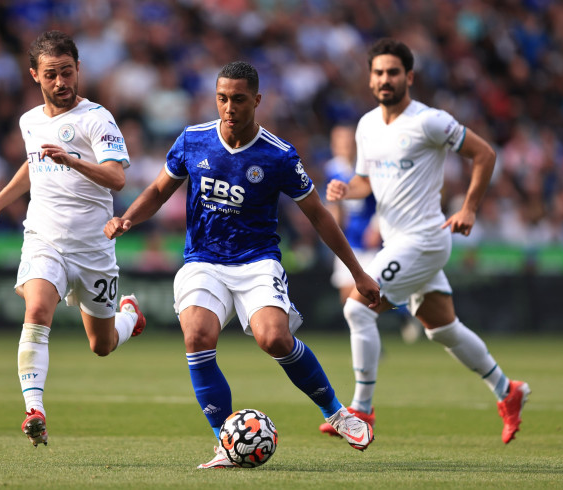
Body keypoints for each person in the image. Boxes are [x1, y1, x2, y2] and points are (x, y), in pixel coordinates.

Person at [104, 61, 382, 468]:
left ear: (257, 100)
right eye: (221, 98)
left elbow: (319, 215)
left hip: (257, 262)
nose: (228, 107)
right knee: (197, 335)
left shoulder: (279, 155)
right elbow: (158, 191)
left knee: (274, 339)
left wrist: (358, 273)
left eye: (237, 99)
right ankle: (226, 443)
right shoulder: (193, 140)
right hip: (203, 260)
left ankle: (337, 412)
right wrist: (128, 217)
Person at [318, 38, 530, 444]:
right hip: (398, 242)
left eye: (393, 72)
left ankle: (361, 409)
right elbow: (366, 181)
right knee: (442, 328)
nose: (385, 79)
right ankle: (508, 390)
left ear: (409, 77)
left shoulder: (429, 121)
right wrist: (349, 190)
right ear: (370, 78)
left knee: (357, 309)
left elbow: (484, 154)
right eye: (378, 72)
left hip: (425, 239)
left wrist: (468, 208)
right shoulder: (365, 126)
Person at [0, 31, 146, 447]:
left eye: (67, 72)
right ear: (35, 75)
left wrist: (72, 160)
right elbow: (31, 167)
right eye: (51, 74)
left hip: (92, 248)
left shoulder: (97, 118)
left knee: (101, 345)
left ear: (78, 69)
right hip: (43, 238)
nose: (61, 82)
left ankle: (129, 317)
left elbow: (118, 178)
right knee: (37, 309)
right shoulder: (29, 121)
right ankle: (35, 408)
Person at [323, 124, 422, 343]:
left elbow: (383, 199)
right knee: (347, 297)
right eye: (340, 142)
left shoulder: (369, 168)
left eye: (348, 142)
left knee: (368, 296)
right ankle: (384, 332)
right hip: (348, 240)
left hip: (369, 240)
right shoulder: (333, 169)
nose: (345, 147)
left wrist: (376, 227)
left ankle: (403, 314)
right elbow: (335, 204)